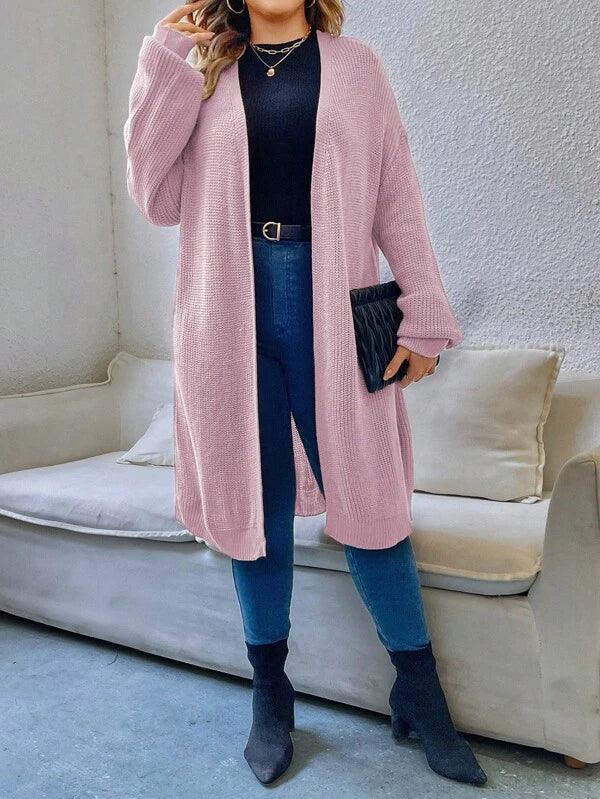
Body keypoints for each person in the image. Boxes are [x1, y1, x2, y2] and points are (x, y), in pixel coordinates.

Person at [124, 0, 486, 787]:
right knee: (256, 508)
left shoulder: (356, 69)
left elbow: (396, 193)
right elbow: (155, 197)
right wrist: (164, 59)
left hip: (332, 302)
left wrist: (425, 313)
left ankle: (419, 692)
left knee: (372, 504)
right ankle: (271, 691)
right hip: (226, 312)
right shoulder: (205, 72)